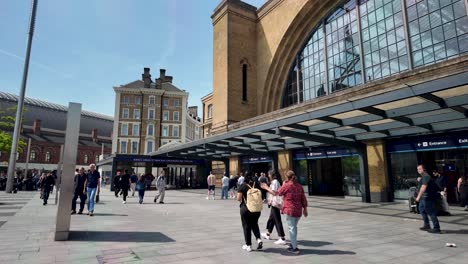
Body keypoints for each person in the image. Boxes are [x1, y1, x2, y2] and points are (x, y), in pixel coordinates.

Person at [261, 170, 308, 254]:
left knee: (292, 228)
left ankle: (294, 248)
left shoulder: (287, 185)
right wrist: (305, 209)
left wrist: (266, 188)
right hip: (298, 211)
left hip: (290, 210)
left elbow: (276, 193)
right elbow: (303, 198)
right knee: (294, 227)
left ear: (287, 177)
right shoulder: (299, 186)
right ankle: (293, 244)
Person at [237, 172, 263, 252]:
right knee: (255, 224)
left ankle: (248, 245)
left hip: (246, 209)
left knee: (246, 226)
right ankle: (258, 239)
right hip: (256, 209)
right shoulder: (257, 185)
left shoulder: (243, 186)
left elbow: (238, 198)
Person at [261, 170, 286, 245]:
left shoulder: (275, 181)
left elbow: (274, 193)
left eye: (269, 174)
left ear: (272, 175)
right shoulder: (275, 181)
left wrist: (266, 188)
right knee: (272, 218)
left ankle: (282, 237)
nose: (268, 175)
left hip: (275, 203)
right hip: (274, 203)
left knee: (277, 219)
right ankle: (268, 233)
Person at [415, 165, 441, 233]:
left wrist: (418, 197)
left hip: (427, 198)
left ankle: (436, 227)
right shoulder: (423, 177)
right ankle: (427, 225)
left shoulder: (426, 176)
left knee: (431, 212)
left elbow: (423, 188)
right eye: (418, 169)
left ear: (424, 169)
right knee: (422, 210)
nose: (419, 170)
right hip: (423, 198)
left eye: (420, 169)